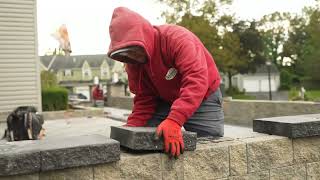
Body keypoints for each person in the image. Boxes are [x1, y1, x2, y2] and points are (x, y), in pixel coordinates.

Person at [107, 7, 224, 158]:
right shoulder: (133, 63)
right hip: (164, 97)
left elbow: (196, 79)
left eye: (135, 49)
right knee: (147, 139)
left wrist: (174, 120)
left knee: (210, 147)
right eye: (127, 52)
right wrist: (129, 131)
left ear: (144, 36)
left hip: (203, 95)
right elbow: (144, 98)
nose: (133, 56)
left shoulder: (177, 39)